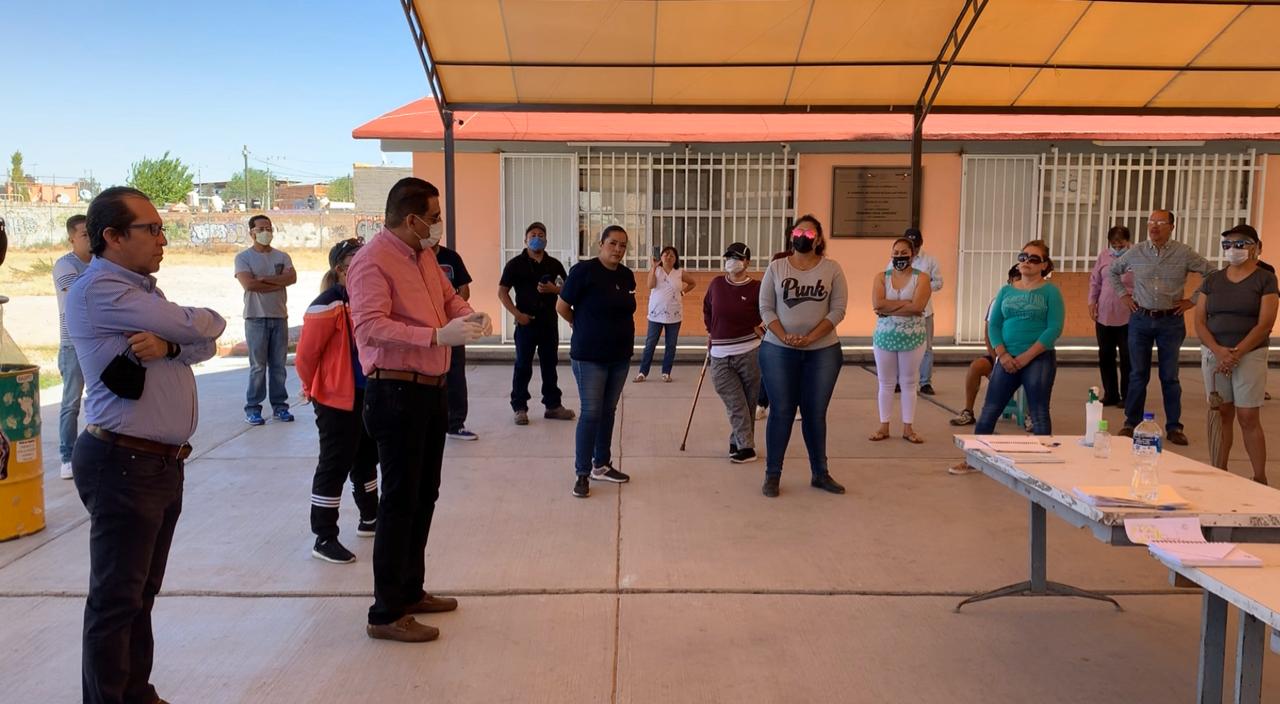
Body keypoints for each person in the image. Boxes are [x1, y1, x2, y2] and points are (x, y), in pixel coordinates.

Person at [65, 187, 227, 703]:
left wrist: (174, 344)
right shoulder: (101, 290)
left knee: (139, 595)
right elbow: (195, 322)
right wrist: (183, 333)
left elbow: (210, 335)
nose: (162, 240)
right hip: (123, 462)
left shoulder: (144, 293)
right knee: (117, 599)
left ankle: (136, 692)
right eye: (150, 229)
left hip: (156, 464)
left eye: (161, 228)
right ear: (112, 237)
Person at [347, 177, 491, 643]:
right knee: (398, 504)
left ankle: (411, 590)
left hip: (431, 389)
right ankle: (385, 612)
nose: (437, 227)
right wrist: (433, 336)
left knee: (423, 496)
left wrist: (468, 314)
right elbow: (369, 328)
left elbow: (445, 300)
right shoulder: (372, 262)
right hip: (396, 392)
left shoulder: (423, 255)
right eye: (433, 218)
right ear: (410, 219)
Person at [295, 238, 380, 565]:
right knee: (334, 463)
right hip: (335, 399)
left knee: (366, 457)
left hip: (367, 393)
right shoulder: (327, 304)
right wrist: (311, 387)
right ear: (341, 269)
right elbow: (306, 356)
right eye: (357, 261)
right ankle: (324, 536)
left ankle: (370, 518)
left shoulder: (365, 300)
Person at [758, 215, 848, 498]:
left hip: (822, 351)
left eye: (809, 234)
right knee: (781, 412)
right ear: (790, 236)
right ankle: (773, 475)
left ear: (819, 239)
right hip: (778, 350)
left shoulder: (832, 269)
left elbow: (838, 310)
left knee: (814, 414)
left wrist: (811, 337)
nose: (803, 237)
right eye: (799, 232)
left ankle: (820, 473)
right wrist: (784, 335)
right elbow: (766, 308)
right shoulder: (776, 268)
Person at [1109, 209, 1214, 444]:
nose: (1154, 226)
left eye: (1160, 222)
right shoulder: (1136, 251)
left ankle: (1174, 427)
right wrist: (1123, 296)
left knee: (1170, 376)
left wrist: (1192, 301)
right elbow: (1112, 272)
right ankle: (1131, 422)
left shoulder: (1183, 253)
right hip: (1140, 319)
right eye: (1151, 222)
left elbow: (1212, 273)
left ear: (1172, 226)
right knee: (1138, 374)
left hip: (1170, 321)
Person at [1194, 227, 1277, 485]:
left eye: (1240, 244)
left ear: (1256, 247)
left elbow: (1265, 323)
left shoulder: (1265, 279)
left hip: (1250, 354)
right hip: (1215, 354)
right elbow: (1199, 321)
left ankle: (1259, 477)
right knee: (1221, 413)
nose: (1233, 249)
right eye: (1227, 244)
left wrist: (1237, 353)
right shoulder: (1213, 280)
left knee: (1247, 415)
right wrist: (1219, 352)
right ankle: (1218, 472)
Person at [557, 225, 636, 498]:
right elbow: (562, 306)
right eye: (613, 243)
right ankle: (582, 472)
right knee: (591, 413)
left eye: (623, 245)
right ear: (601, 244)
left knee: (608, 411)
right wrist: (580, 325)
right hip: (590, 356)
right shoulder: (583, 272)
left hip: (620, 356)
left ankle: (601, 464)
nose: (618, 249)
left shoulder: (627, 276)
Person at [973, 240, 1064, 436]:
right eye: (1023, 257)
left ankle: (1042, 462)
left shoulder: (1051, 292)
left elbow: (1054, 328)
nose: (1027, 261)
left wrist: (1027, 357)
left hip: (1038, 358)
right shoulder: (1006, 291)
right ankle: (974, 456)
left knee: (1039, 413)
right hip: (1006, 358)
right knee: (989, 410)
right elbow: (994, 325)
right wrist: (1002, 354)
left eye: (1034, 259)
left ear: (1044, 265)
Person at [498, 221, 575, 425]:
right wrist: (517, 314)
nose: (537, 238)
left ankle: (553, 406)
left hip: (548, 322)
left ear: (546, 240)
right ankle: (520, 407)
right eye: (533, 234)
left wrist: (554, 290)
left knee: (550, 365)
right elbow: (502, 292)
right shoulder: (515, 264)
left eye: (541, 234)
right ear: (525, 239)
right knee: (523, 365)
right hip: (526, 323)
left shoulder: (554, 264)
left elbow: (567, 290)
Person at [703, 242, 763, 464]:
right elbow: (707, 308)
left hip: (749, 351)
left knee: (747, 402)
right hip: (720, 354)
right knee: (735, 401)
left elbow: (768, 312)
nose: (731, 260)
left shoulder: (756, 287)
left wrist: (762, 330)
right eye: (728, 256)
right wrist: (712, 330)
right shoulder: (717, 284)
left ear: (747, 262)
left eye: (736, 257)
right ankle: (747, 447)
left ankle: (737, 442)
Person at [234, 215, 296, 426]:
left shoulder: (282, 256)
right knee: (258, 367)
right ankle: (253, 409)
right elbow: (249, 285)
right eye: (261, 228)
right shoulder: (243, 258)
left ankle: (280, 407)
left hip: (279, 317)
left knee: (278, 366)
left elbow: (291, 278)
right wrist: (277, 283)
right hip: (256, 318)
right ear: (251, 232)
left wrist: (264, 279)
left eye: (268, 228)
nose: (266, 232)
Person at [871, 237, 931, 444]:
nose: (899, 257)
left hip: (913, 338)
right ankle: (883, 426)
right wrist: (906, 303)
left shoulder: (921, 278)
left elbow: (918, 306)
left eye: (903, 252)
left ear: (913, 255)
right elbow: (877, 304)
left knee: (908, 382)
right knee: (885, 382)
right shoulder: (881, 277)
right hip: (884, 337)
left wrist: (890, 307)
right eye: (895, 253)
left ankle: (908, 428)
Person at [950, 265, 1021, 428]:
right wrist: (998, 358)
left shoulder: (1036, 302)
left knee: (1037, 374)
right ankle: (968, 411)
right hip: (1001, 354)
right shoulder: (998, 301)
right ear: (1009, 281)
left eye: (1022, 277)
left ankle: (1031, 415)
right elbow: (989, 333)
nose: (1019, 281)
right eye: (1016, 278)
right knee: (976, 366)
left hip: (1025, 356)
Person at [52, 214, 92, 480]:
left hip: (97, 340)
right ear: (72, 239)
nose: (90, 239)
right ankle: (67, 456)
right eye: (85, 235)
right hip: (73, 344)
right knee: (71, 402)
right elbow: (83, 293)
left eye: (93, 233)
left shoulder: (102, 262)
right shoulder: (65, 265)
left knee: (105, 399)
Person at [431, 239, 479, 441]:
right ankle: (431, 423)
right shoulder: (412, 260)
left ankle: (456, 423)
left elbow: (463, 291)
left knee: (456, 374)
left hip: (453, 326)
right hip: (427, 328)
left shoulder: (451, 258)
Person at [1088, 225, 1135, 407]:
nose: (1117, 247)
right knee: (1105, 355)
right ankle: (1111, 394)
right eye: (1113, 244)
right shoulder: (1104, 256)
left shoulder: (1136, 256)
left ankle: (1128, 395)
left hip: (1128, 315)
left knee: (1127, 357)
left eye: (1120, 243)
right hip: (1105, 314)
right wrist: (1092, 302)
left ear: (1127, 242)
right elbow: (1095, 281)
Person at [636, 245, 695, 382]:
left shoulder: (679, 272)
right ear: (661, 257)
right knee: (650, 343)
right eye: (665, 254)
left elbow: (692, 283)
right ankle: (642, 373)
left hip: (674, 314)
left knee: (671, 345)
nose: (668, 257)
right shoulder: (657, 270)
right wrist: (653, 267)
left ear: (676, 259)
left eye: (672, 255)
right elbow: (650, 285)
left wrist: (683, 292)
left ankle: (666, 373)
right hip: (656, 314)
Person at [903, 227, 943, 395]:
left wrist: (921, 287)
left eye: (916, 246)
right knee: (902, 347)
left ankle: (925, 382)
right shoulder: (897, 259)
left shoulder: (930, 261)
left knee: (926, 347)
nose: (914, 249)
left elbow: (939, 283)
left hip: (925, 311)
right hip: (903, 311)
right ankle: (900, 381)